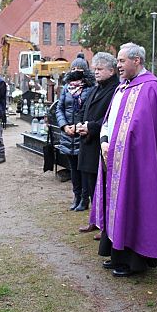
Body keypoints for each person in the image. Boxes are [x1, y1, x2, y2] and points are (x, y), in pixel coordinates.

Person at [89, 42, 157, 277]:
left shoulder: (151, 88)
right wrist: (105, 139)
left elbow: (146, 132)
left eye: (121, 61)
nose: (118, 65)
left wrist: (119, 147)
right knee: (115, 202)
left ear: (136, 61)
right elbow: (109, 120)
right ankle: (116, 252)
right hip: (114, 157)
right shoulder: (121, 88)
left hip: (138, 163)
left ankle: (134, 260)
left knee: (135, 203)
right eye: (117, 61)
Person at [76, 52, 119, 235]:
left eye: (100, 69)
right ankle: (95, 220)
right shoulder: (95, 88)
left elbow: (111, 119)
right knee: (90, 185)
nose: (96, 73)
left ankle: (105, 225)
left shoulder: (115, 89)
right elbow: (84, 109)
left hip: (101, 145)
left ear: (111, 70)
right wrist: (79, 124)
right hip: (87, 143)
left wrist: (91, 127)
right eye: (95, 69)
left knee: (102, 187)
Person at [56, 58, 95, 211]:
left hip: (82, 134)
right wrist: (64, 126)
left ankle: (85, 199)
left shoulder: (90, 88)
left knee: (83, 169)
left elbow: (87, 110)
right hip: (68, 135)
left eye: (79, 69)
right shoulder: (66, 88)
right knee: (73, 168)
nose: (76, 71)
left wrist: (77, 126)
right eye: (73, 69)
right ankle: (76, 196)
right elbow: (59, 108)